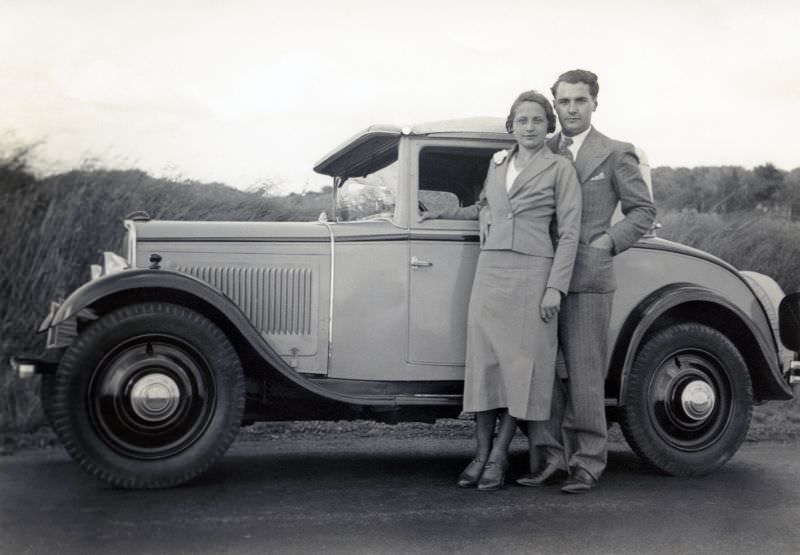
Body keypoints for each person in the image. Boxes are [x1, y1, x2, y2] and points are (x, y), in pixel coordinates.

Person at [422, 90, 581, 491]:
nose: (529, 127)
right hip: (490, 271)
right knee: (485, 366)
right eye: (522, 121)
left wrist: (555, 289)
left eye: (538, 121)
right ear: (511, 126)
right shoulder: (497, 164)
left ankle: (497, 458)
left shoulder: (560, 168)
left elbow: (570, 233)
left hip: (533, 274)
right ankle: (478, 454)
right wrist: (448, 213)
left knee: (518, 370)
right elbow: (483, 206)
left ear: (549, 127)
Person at [523, 70, 657, 493]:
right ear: (555, 105)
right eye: (564, 102)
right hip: (540, 275)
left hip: (588, 277)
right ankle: (551, 458)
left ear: (595, 103)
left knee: (583, 373)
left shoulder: (616, 153)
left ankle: (588, 462)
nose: (572, 109)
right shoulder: (539, 149)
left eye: (580, 100)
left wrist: (607, 242)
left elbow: (642, 212)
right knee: (540, 371)